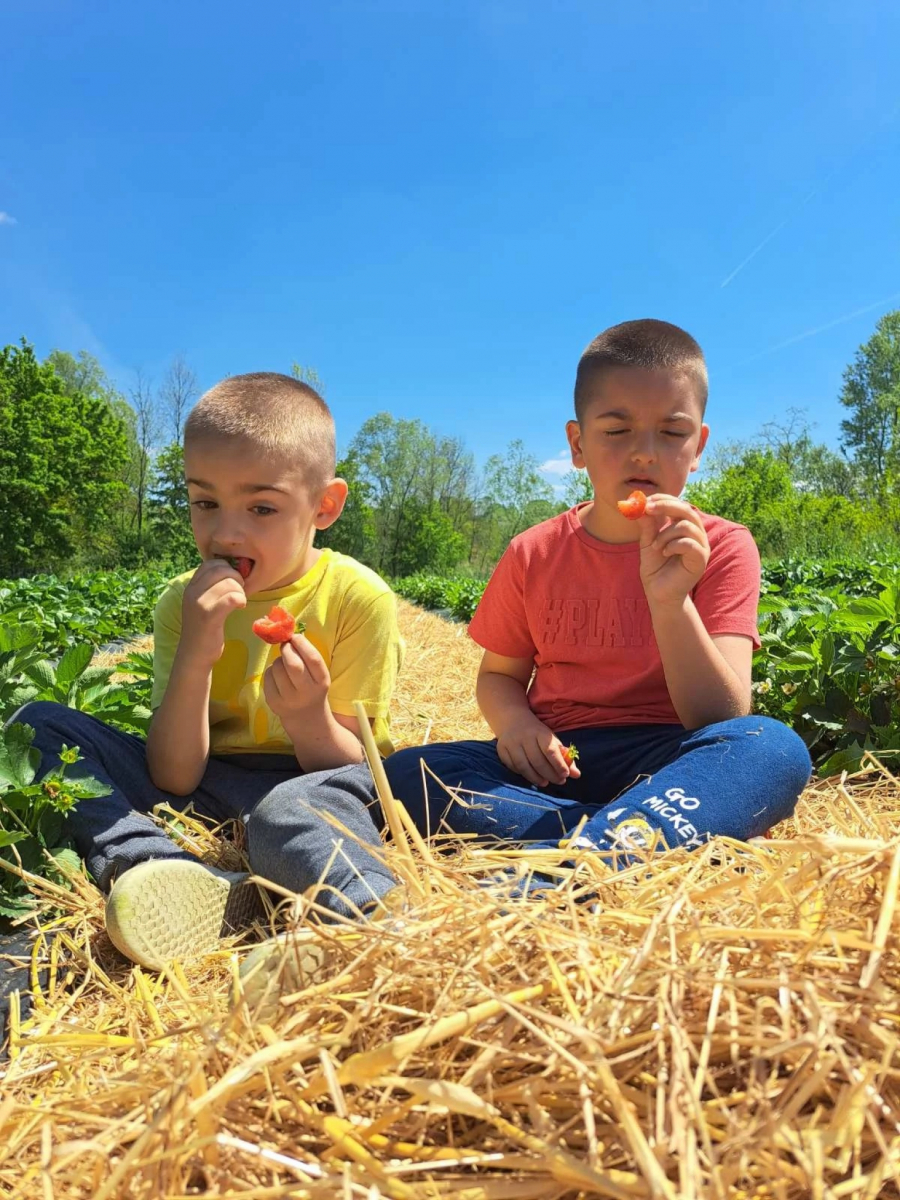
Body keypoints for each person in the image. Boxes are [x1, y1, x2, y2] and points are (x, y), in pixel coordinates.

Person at [263, 319, 812, 918]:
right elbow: (499, 678)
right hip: (551, 770)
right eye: (617, 429)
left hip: (671, 762)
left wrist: (671, 600)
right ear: (577, 444)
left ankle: (567, 872)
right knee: (415, 772)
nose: (643, 451)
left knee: (771, 747)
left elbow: (720, 715)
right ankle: (657, 841)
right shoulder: (534, 552)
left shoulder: (724, 548)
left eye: (671, 432)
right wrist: (518, 727)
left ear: (698, 447)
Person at [11, 373, 403, 971]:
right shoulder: (180, 602)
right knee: (36, 725)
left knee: (295, 815)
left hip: (311, 785)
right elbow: (172, 776)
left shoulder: (356, 597)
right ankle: (158, 867)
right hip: (204, 785)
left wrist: (307, 717)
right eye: (205, 502)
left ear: (324, 506)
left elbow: (359, 770)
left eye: (262, 507)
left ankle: (379, 930)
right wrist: (197, 651)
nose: (224, 533)